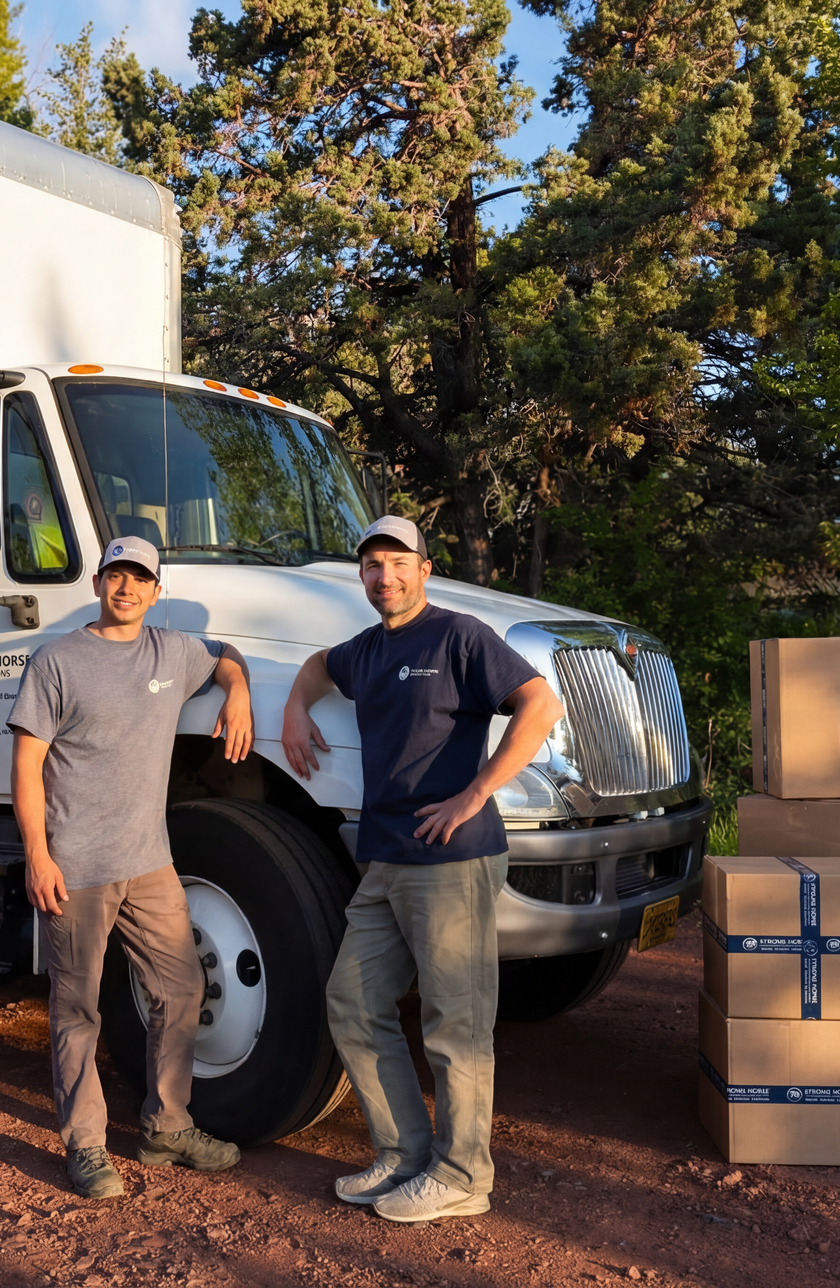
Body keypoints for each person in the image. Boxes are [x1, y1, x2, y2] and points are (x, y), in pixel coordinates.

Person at [281, 515, 565, 1224]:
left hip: (453, 860)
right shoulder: (368, 650)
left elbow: (540, 703)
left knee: (455, 1025)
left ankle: (465, 1176)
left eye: (398, 562)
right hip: (383, 858)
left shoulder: (460, 636)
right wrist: (293, 707)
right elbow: (319, 666)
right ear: (363, 578)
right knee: (351, 1001)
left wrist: (476, 793)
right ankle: (405, 1156)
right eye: (373, 565)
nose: (386, 576)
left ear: (424, 568)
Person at [8, 534, 255, 1200]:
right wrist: (37, 853)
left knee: (181, 992)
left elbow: (228, 655)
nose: (126, 588)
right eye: (115, 575)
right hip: (76, 866)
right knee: (76, 1010)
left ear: (154, 591)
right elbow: (27, 764)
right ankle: (86, 1145)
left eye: (138, 578)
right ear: (98, 584)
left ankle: (167, 1127)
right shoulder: (57, 661)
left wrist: (237, 695)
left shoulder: (170, 652)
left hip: (150, 863)